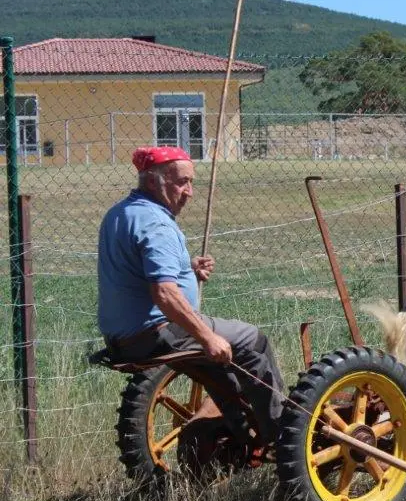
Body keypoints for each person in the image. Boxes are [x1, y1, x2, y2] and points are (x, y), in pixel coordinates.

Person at [97, 146, 285, 446]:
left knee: (223, 373)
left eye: (192, 182)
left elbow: (135, 270)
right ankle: (285, 436)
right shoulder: (157, 224)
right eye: (181, 182)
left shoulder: (120, 213)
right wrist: (207, 338)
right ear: (152, 182)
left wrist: (187, 268)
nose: (190, 192)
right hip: (158, 332)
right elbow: (164, 293)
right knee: (253, 340)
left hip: (123, 338)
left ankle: (246, 436)